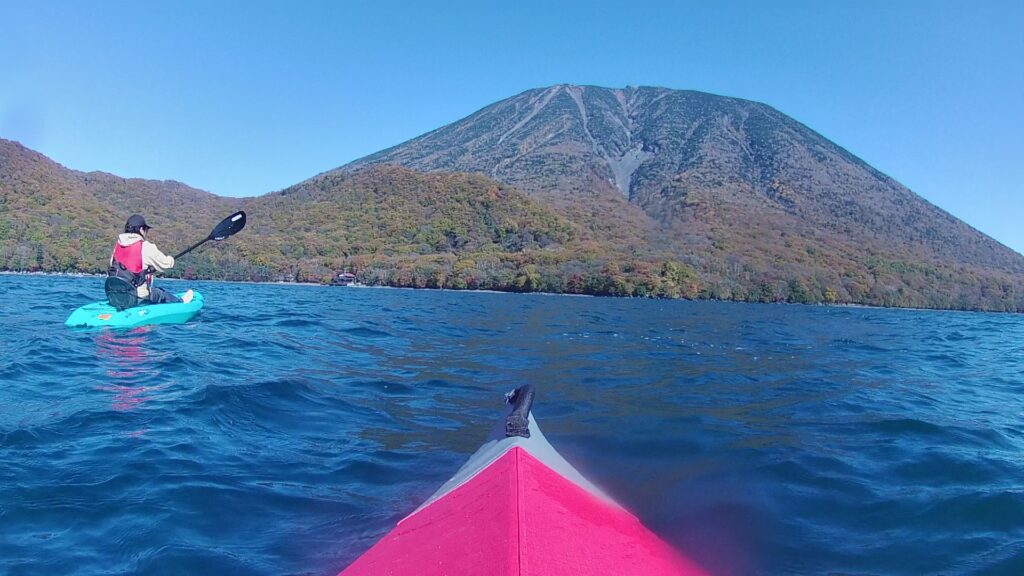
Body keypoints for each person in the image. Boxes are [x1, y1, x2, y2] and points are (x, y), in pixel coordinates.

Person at [109, 214, 194, 305]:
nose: (146, 233)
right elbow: (165, 264)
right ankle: (181, 302)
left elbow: (117, 267)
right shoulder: (145, 246)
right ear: (141, 229)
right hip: (136, 297)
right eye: (146, 230)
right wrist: (171, 260)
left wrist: (145, 270)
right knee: (159, 293)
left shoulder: (117, 246)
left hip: (115, 296)